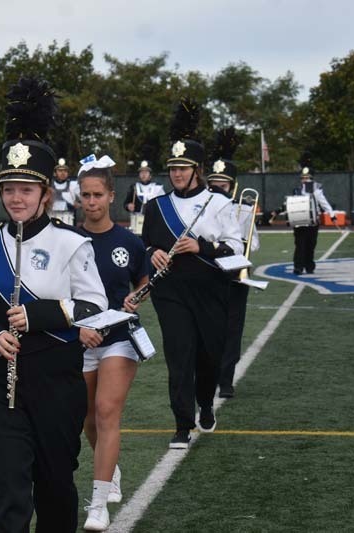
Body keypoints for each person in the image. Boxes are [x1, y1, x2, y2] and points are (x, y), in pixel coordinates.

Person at [0, 76, 107, 533]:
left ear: (45, 193)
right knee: (10, 493)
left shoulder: (71, 242)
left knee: (56, 489)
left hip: (58, 382)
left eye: (26, 189)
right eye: (9, 188)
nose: (16, 198)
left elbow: (96, 306)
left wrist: (40, 315)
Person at [130, 97, 243, 449]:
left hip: (211, 290)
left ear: (198, 169)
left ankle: (206, 403)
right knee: (179, 356)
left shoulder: (220, 203)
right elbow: (143, 245)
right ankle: (181, 423)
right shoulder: (156, 206)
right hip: (171, 292)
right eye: (173, 168)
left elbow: (237, 249)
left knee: (207, 356)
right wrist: (154, 253)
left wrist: (202, 247)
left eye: (184, 167)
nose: (177, 174)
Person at [76, 154, 149, 531]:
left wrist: (138, 297)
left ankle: (98, 504)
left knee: (106, 411)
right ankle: (112, 468)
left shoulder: (128, 242)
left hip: (121, 338)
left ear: (111, 196)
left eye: (98, 194)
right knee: (88, 420)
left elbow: (142, 281)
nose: (91, 202)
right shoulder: (67, 240)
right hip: (82, 339)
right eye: (85, 195)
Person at [205, 128, 260, 399]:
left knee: (232, 330)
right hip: (209, 276)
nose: (216, 189)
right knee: (209, 329)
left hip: (236, 278)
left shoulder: (245, 209)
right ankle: (209, 374)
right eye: (212, 183)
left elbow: (255, 245)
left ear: (233, 186)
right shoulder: (203, 207)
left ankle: (226, 379)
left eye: (222, 185)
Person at [287, 152, 337, 275]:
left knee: (310, 245)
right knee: (299, 245)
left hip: (312, 223)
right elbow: (292, 204)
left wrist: (332, 215)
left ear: (312, 178)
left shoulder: (316, 190)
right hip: (300, 222)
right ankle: (298, 267)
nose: (305, 180)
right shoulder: (297, 190)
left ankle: (309, 266)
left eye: (307, 178)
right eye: (303, 178)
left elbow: (324, 203)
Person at [50, 158, 80, 225]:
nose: (63, 173)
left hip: (68, 219)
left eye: (65, 171)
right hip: (52, 217)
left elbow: (83, 197)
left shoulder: (73, 185)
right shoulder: (49, 186)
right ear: (55, 173)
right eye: (60, 171)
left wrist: (79, 204)